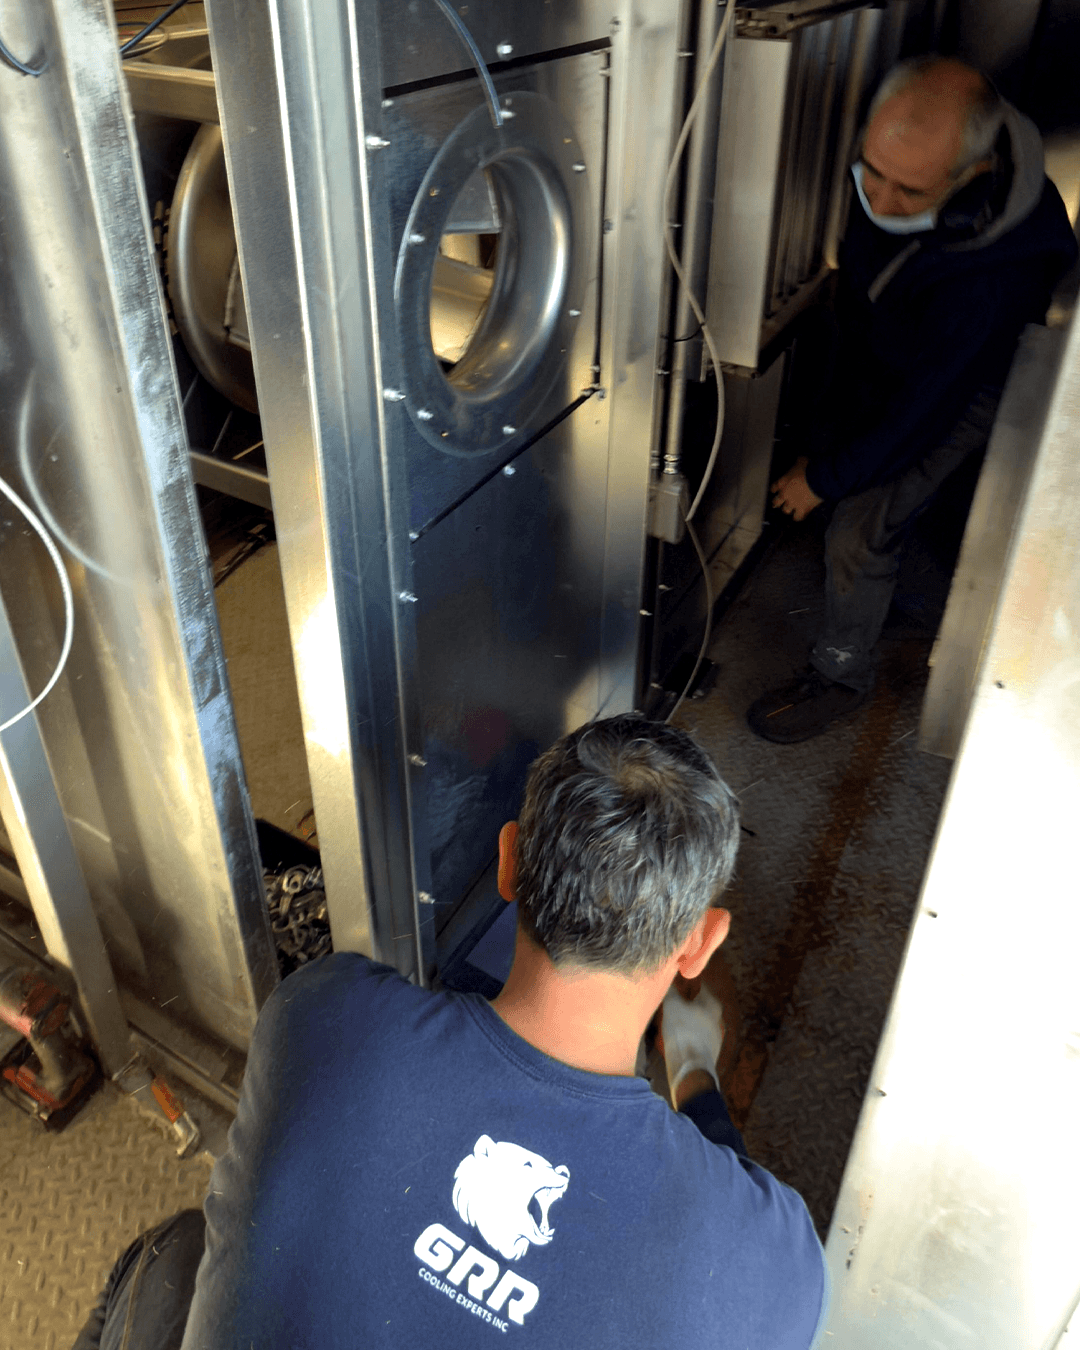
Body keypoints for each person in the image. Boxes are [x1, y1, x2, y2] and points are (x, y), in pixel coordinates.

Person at [74, 716, 826, 1348]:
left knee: (175, 1249)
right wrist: (694, 1071)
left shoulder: (324, 1015)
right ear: (700, 943)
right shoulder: (778, 1258)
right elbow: (735, 1218)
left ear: (509, 864)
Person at [747, 56, 1078, 743]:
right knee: (847, 460)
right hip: (906, 344)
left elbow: (924, 410)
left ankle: (841, 675)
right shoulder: (903, 169)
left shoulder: (990, 279)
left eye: (908, 191)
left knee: (858, 527)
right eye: (871, 172)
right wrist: (826, 441)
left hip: (969, 381)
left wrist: (826, 477)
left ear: (973, 175)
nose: (880, 199)